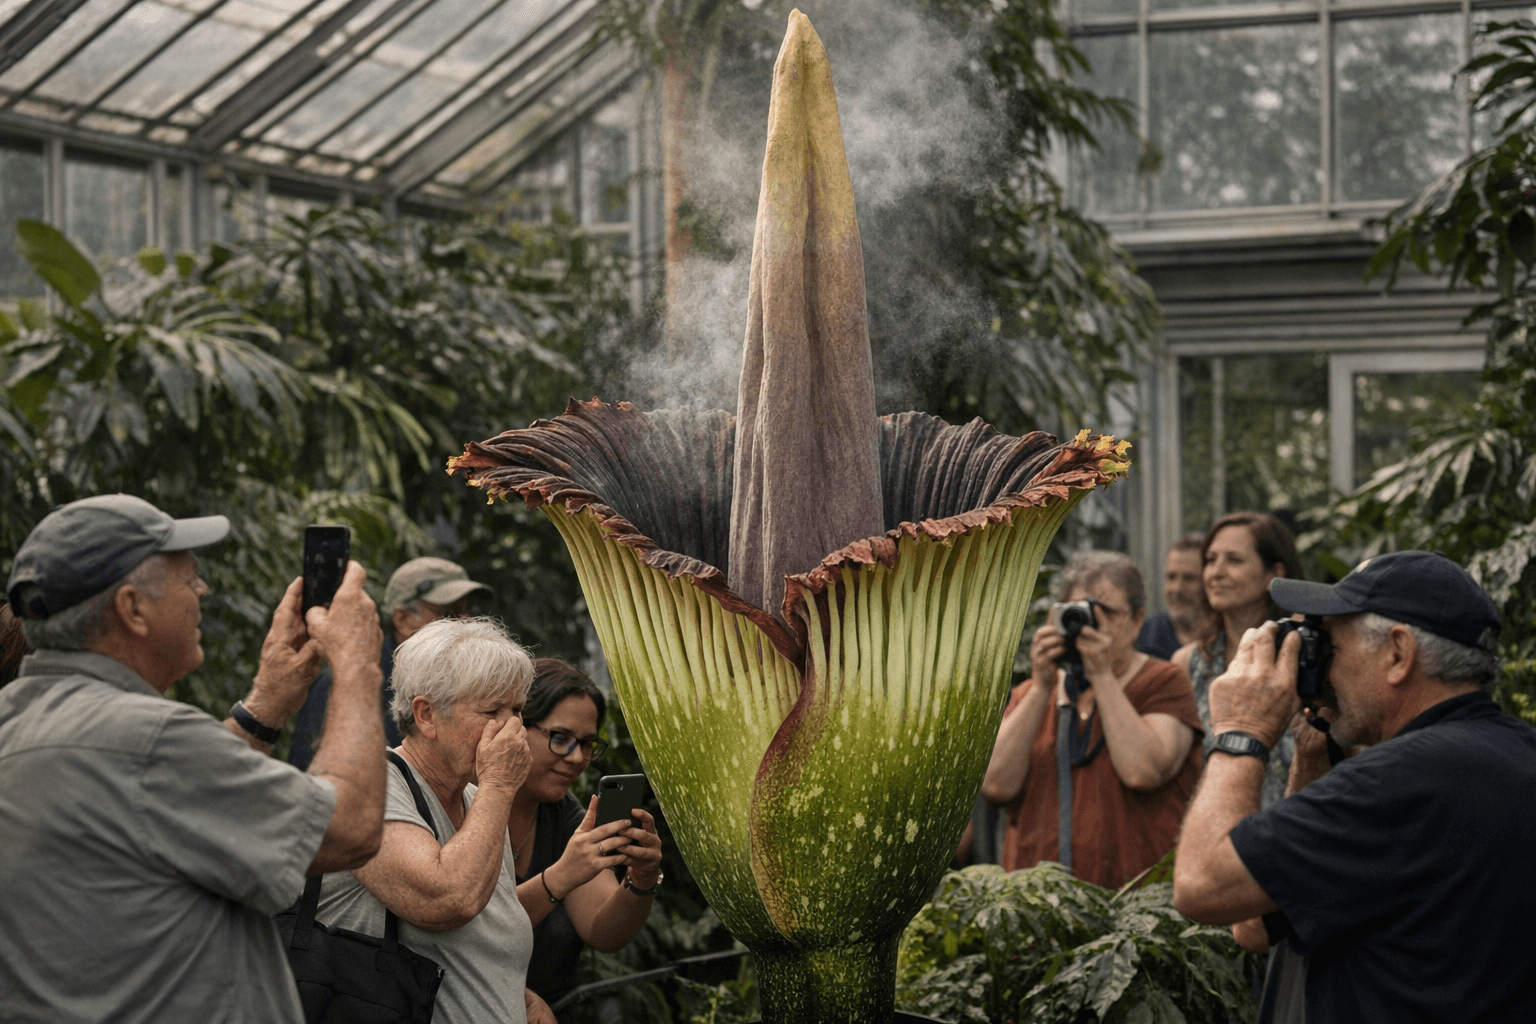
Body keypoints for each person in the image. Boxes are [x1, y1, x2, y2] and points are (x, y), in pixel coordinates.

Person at [0, 494, 386, 1023]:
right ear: (132, 608)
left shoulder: (21, 721)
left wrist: (265, 705)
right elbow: (351, 827)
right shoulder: (144, 739)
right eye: (188, 578)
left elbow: (162, 804)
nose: (202, 589)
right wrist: (358, 664)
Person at [1173, 551, 1536, 1022]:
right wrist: (1313, 756)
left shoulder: (1399, 780)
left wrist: (1241, 729)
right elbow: (1257, 925)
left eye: (1330, 644)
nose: (1320, 666)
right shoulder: (1511, 752)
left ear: (1398, 654)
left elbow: (1201, 886)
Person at [312, 619, 603, 1024]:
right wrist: (500, 785)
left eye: (517, 710)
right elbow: (449, 901)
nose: (512, 728)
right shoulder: (371, 784)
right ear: (427, 715)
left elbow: (481, 933)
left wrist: (518, 996)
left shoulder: (474, 798)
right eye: (492, 711)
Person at [982, 552, 1204, 888]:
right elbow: (995, 785)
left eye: (1108, 612)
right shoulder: (1032, 692)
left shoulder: (1164, 682)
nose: (1092, 624)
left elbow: (1143, 771)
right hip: (1039, 906)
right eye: (1080, 613)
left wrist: (1101, 675)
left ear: (1137, 620)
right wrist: (1042, 686)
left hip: (1132, 907)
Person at [511, 659, 666, 1021]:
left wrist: (641, 880)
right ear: (515, 726)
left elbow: (604, 932)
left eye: (587, 744)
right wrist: (560, 877)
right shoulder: (465, 806)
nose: (577, 758)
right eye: (560, 738)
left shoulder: (566, 816)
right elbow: (467, 931)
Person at [289, 556, 492, 769]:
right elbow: (309, 781)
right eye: (449, 613)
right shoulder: (344, 681)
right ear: (402, 619)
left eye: (468, 610)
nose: (465, 623)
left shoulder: (471, 683)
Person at [1173, 512, 1302, 809]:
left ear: (1274, 574)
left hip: (1296, 834)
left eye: (1234, 560)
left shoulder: (1301, 655)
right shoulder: (1188, 662)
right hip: (1216, 835)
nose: (1216, 572)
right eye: (1211, 559)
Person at [1136, 534, 1214, 660]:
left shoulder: (1230, 639)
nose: (1177, 589)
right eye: (1171, 577)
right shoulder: (1143, 636)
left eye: (1189, 578)